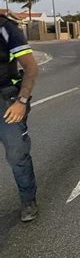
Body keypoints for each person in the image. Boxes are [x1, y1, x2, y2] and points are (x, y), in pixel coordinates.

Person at [0, 13, 39, 222]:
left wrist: (21, 102)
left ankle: (28, 200)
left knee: (17, 154)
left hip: (6, 102)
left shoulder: (6, 29)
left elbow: (31, 68)